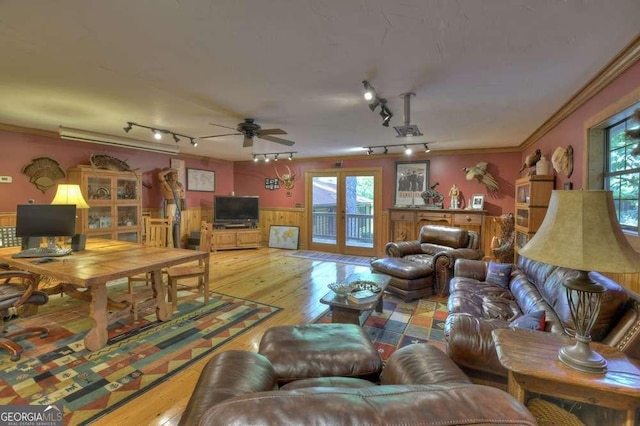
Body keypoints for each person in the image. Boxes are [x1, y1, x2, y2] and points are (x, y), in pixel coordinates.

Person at [158, 168, 185, 248]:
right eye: (174, 174)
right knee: (170, 226)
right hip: (170, 205)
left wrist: (183, 205)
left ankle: (178, 247)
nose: (176, 176)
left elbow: (183, 196)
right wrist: (170, 169)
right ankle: (168, 247)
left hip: (178, 207)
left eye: (177, 174)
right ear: (169, 175)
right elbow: (160, 175)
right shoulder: (165, 184)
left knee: (177, 225)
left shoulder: (179, 184)